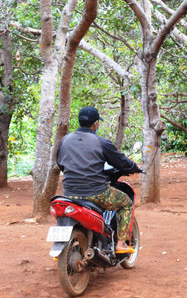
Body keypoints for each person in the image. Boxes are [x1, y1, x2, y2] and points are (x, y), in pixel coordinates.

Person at [56, 106, 142, 254]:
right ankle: (121, 243)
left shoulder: (65, 140)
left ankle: (63, 246)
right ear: (96, 123)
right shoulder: (101, 142)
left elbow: (61, 163)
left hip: (69, 194)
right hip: (95, 193)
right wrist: (134, 167)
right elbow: (120, 161)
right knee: (126, 202)